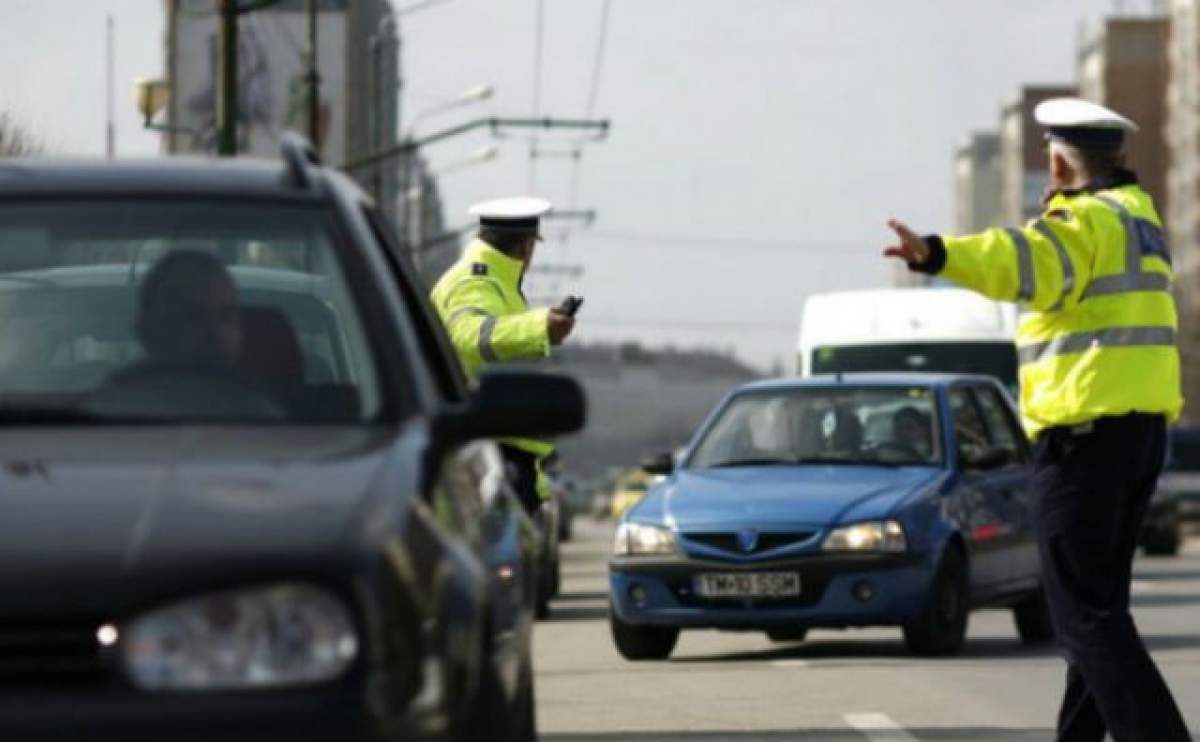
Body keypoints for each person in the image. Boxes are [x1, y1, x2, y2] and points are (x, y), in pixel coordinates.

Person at [884, 98, 1190, 742]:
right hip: (1137, 437)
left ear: (1057, 159)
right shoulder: (1139, 218)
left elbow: (1016, 259)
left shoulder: (1079, 223)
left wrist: (936, 254)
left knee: (1083, 618)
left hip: (1084, 443)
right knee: (1098, 612)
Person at [430, 197, 576, 515]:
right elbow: (469, 335)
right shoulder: (475, 281)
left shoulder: (497, 282)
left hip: (504, 458)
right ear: (526, 247)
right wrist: (539, 327)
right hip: (491, 461)